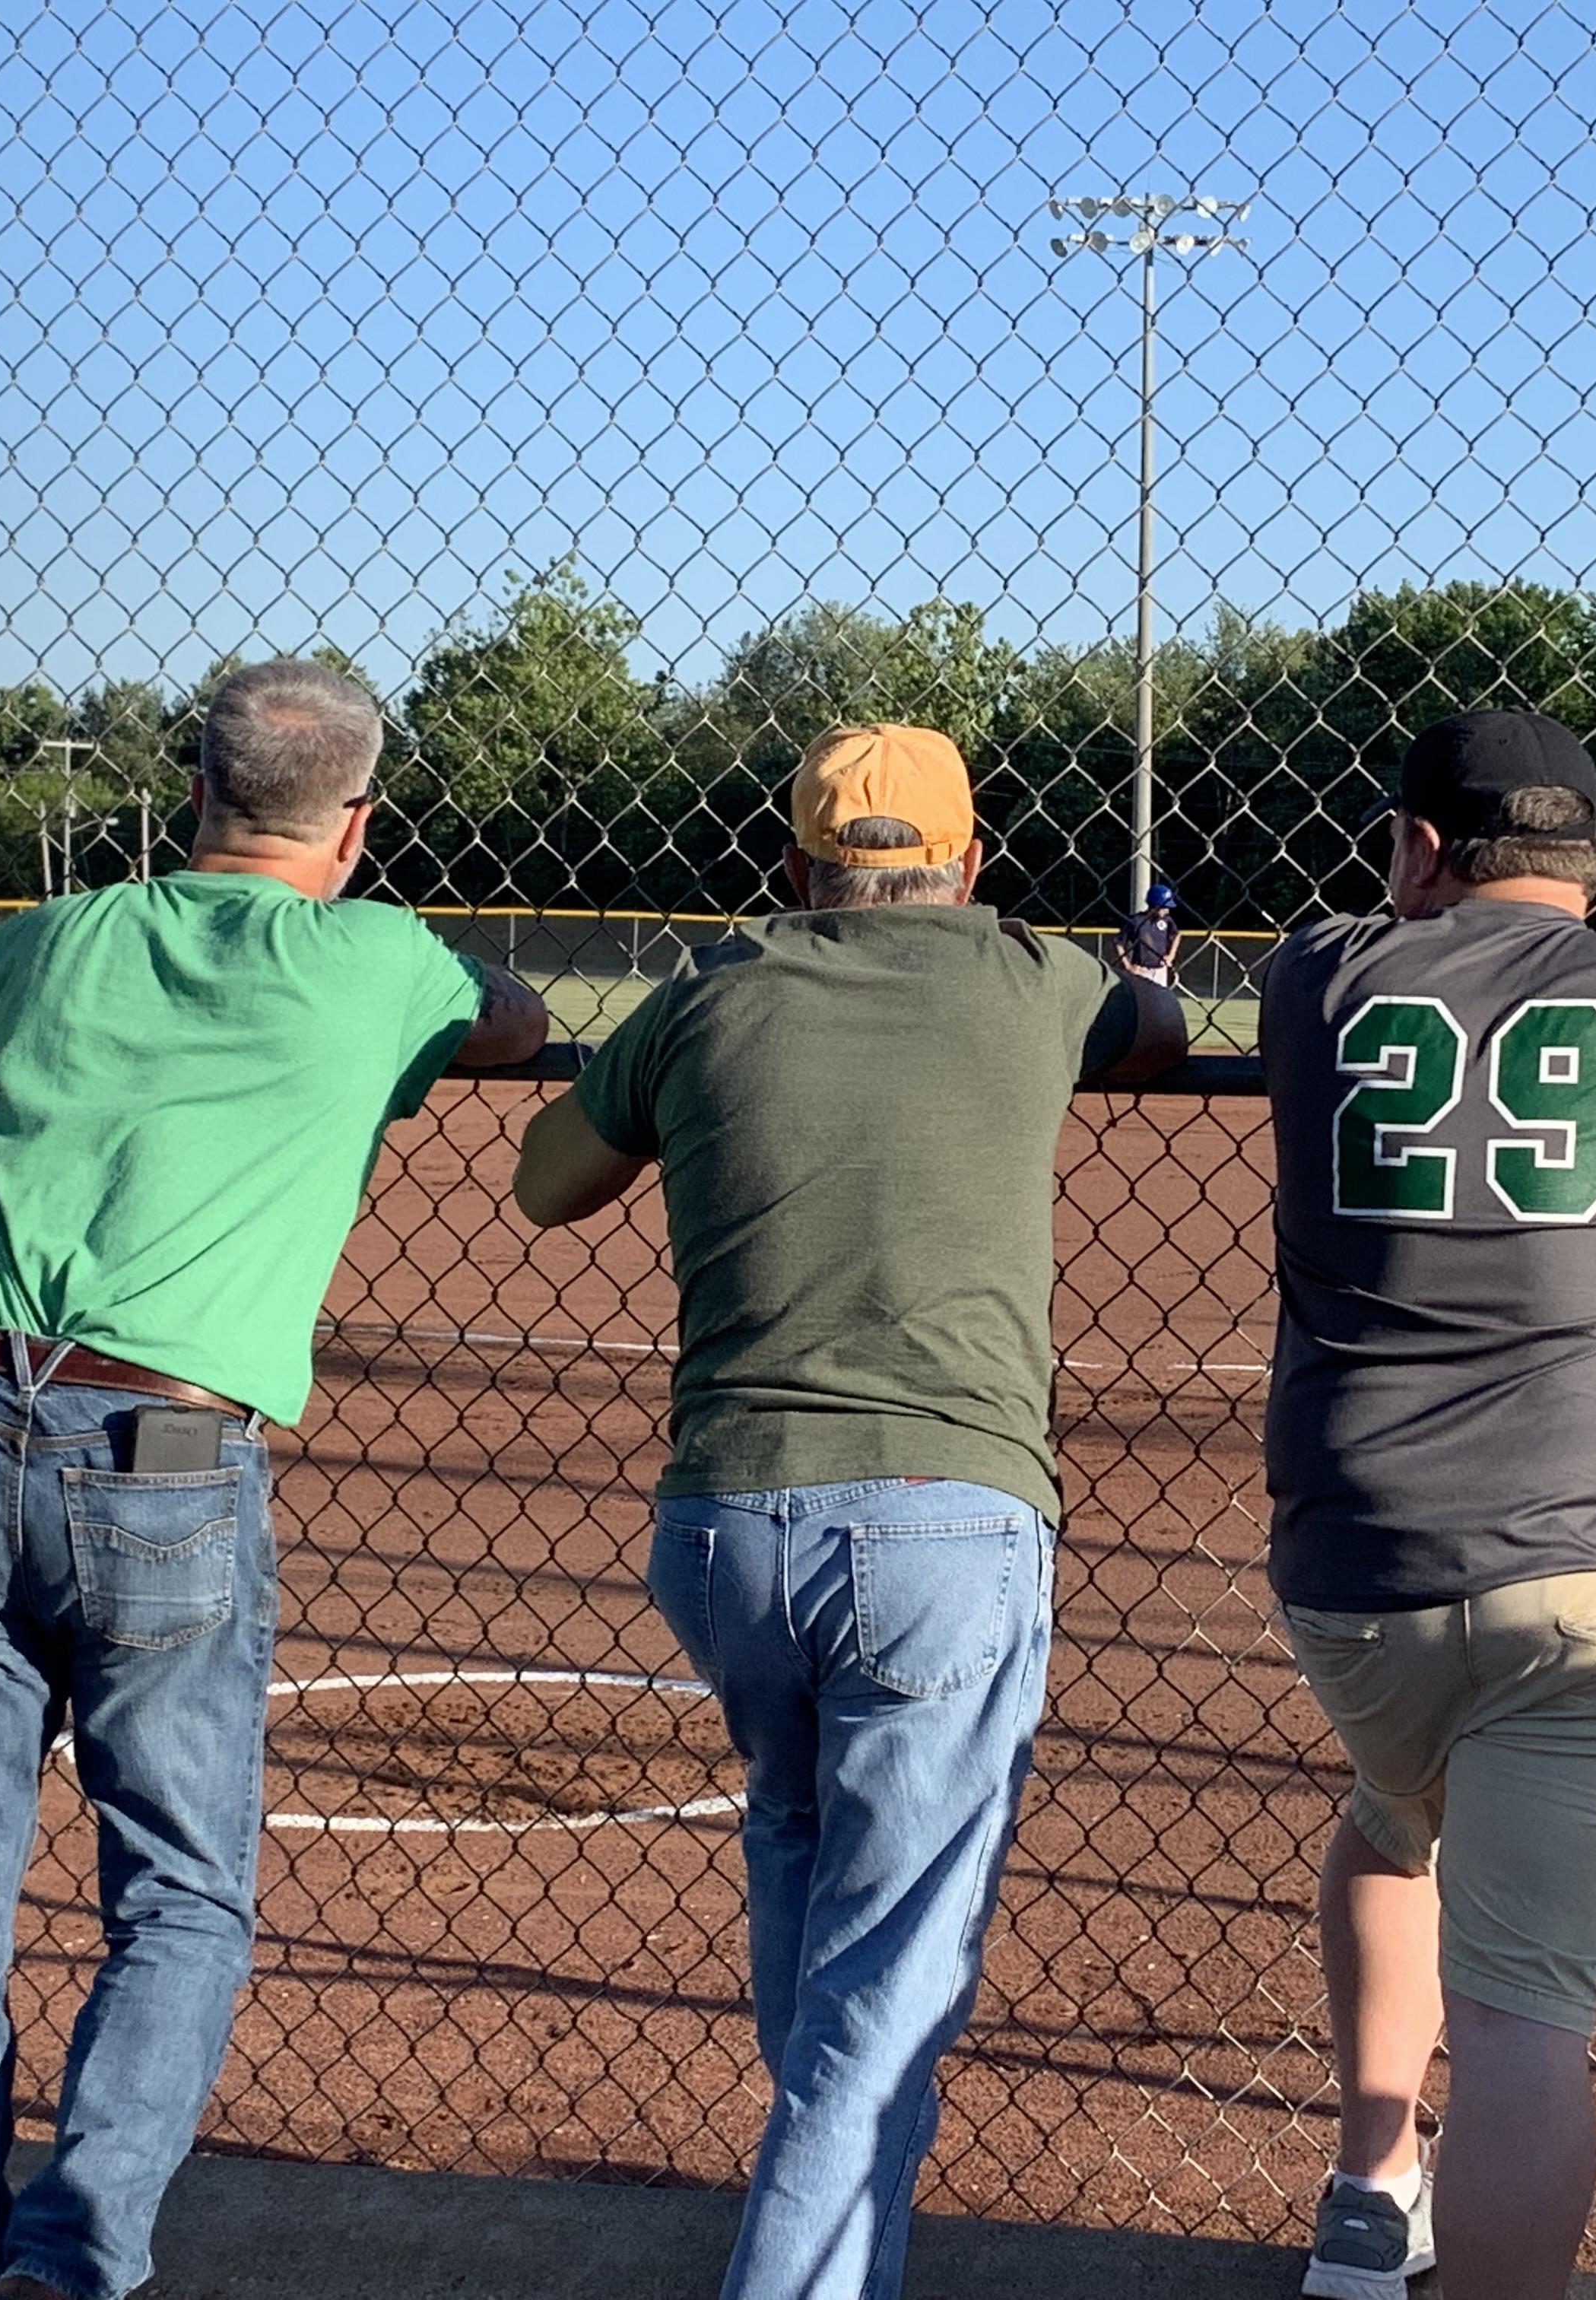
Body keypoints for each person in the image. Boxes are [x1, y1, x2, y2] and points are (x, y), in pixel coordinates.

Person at [0, 659, 546, 2300]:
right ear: (358, 824)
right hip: (163, 1447)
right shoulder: (382, 960)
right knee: (177, 1896)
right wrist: (482, 1003)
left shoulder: (54, 936)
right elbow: (508, 1020)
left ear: (193, 804)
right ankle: (70, 2262)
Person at [509, 723, 1185, 2300]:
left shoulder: (709, 990)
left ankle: (835, 2245)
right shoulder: (1029, 977)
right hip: (948, 1524)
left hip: (726, 1527)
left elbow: (548, 1186)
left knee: (802, 1841)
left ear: (791, 868)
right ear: (970, 863)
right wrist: (1134, 967)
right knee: (884, 1989)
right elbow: (1148, 1026)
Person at [1258, 710, 1596, 2300]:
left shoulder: (1323, 978)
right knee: (1518, 2020)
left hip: (1360, 1570)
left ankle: (1370, 2191)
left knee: (1389, 1816)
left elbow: (1361, 939)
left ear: (1421, 849)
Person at [1117, 877, 1183, 985]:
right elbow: (1119, 943)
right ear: (1155, 906)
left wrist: (1171, 956)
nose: (1167, 910)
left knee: (1160, 1000)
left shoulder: (1167, 920)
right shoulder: (1136, 921)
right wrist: (1128, 966)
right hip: (1141, 970)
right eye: (1164, 907)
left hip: (1160, 969)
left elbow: (1177, 935)